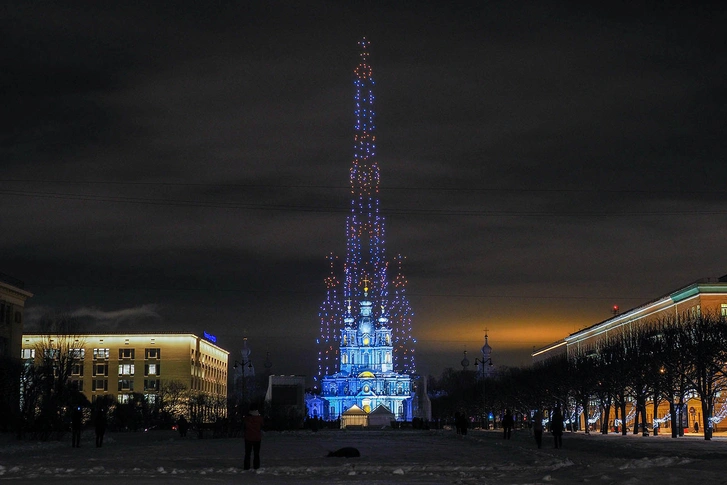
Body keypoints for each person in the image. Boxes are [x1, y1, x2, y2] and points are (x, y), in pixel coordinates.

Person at [243, 402, 264, 470]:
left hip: (248, 437)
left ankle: (246, 467)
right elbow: (262, 425)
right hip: (257, 438)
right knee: (256, 454)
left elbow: (244, 426)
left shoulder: (247, 418)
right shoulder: (259, 418)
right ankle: (256, 466)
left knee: (247, 454)